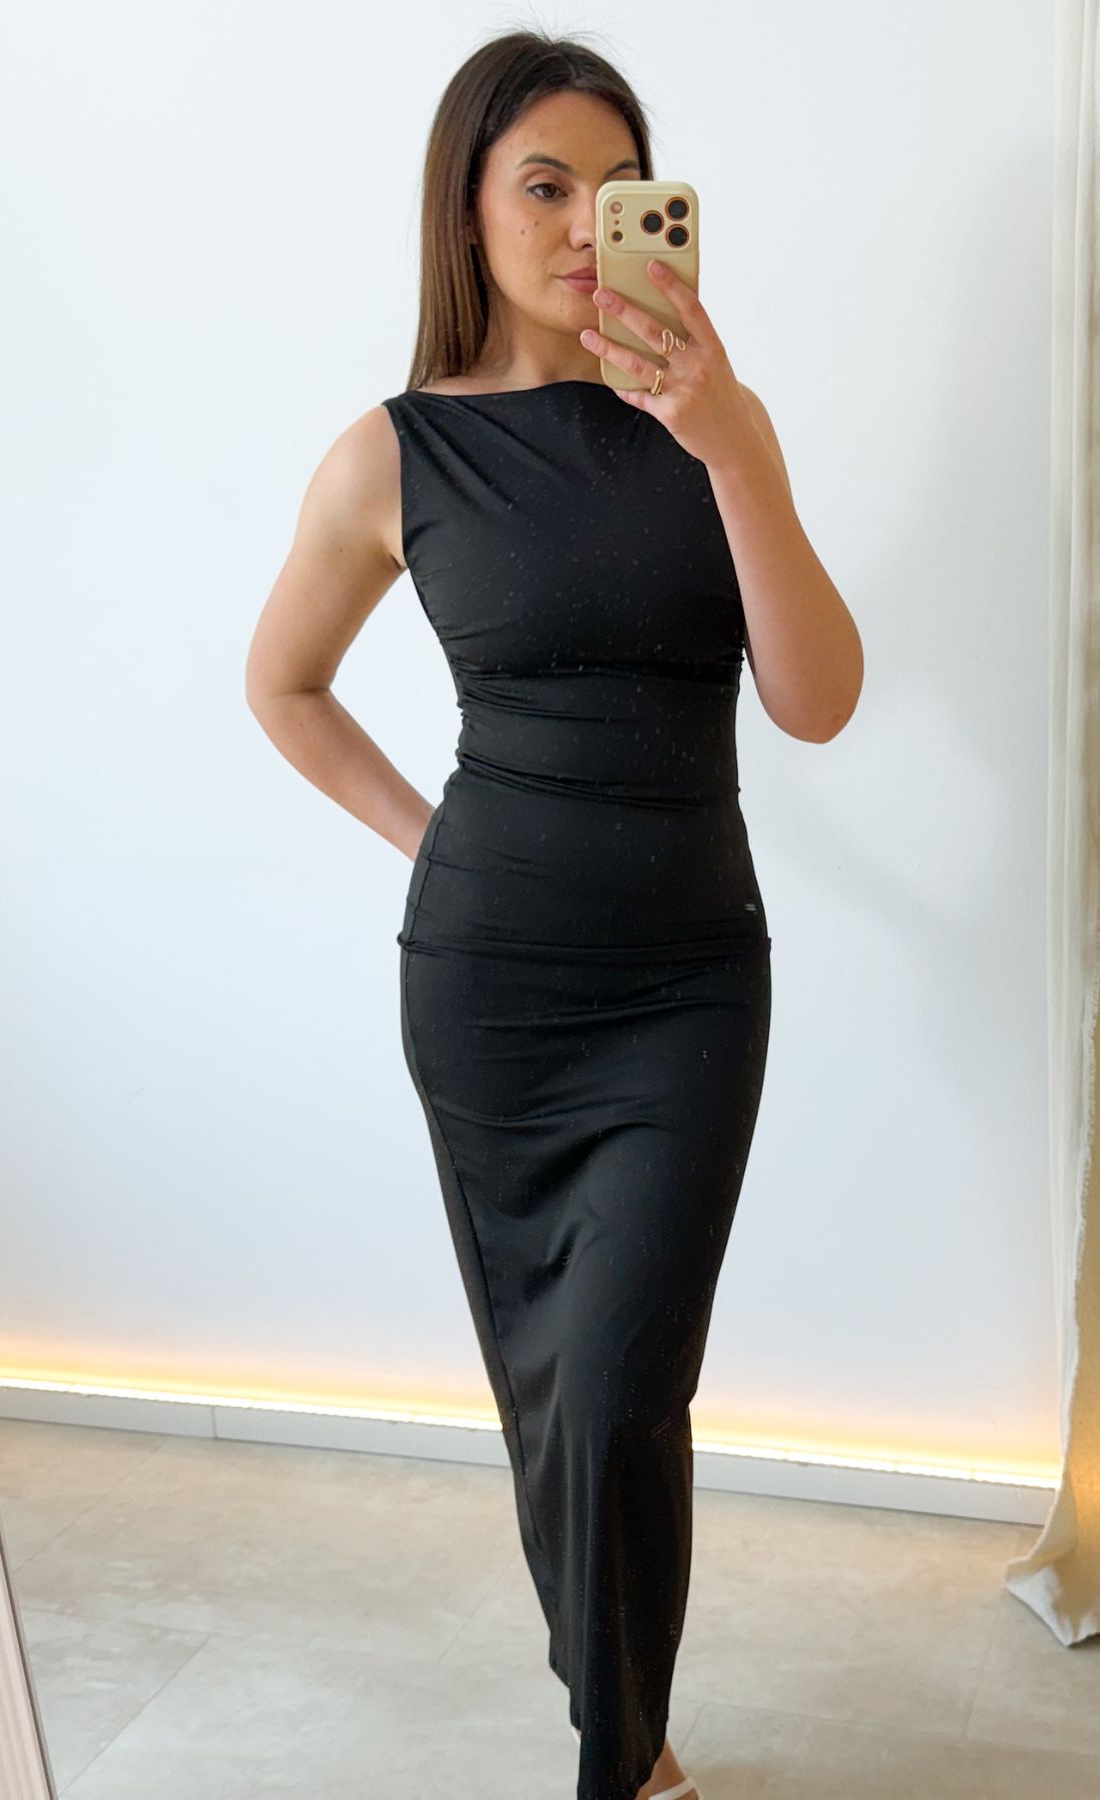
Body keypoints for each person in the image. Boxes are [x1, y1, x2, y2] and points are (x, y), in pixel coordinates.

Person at [246, 29, 862, 1800]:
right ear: (467, 209)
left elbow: (817, 701)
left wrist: (735, 452)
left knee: (618, 1387)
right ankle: (631, 1735)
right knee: (552, 1394)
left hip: (689, 988)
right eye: (544, 186)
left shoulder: (710, 426)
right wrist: (433, 842)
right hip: (489, 985)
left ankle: (613, 1748)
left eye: (619, 190)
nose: (588, 225)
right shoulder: (394, 456)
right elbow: (284, 685)